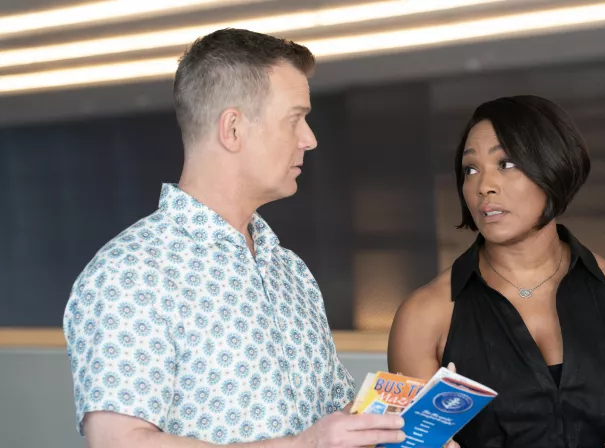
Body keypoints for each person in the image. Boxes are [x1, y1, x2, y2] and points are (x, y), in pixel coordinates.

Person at [62, 28, 407, 448]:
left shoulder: (289, 270)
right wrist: (301, 446)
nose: (310, 139)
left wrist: (401, 429)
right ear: (233, 129)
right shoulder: (131, 273)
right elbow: (119, 442)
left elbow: (328, 423)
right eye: (294, 119)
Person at [388, 95, 605, 448]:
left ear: (552, 169)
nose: (484, 186)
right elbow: (412, 441)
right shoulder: (425, 315)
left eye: (506, 164)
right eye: (470, 170)